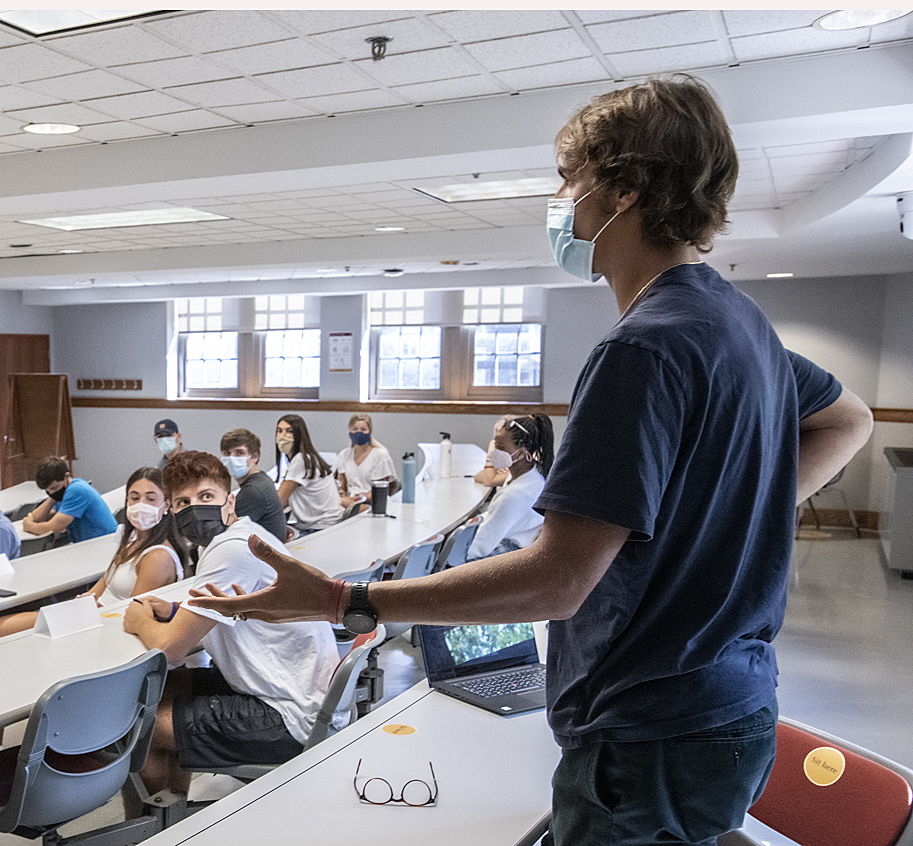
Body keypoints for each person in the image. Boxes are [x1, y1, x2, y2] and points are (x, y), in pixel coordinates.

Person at [188, 76, 874, 846]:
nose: (561, 202)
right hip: (732, 706)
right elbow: (850, 419)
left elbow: (559, 580)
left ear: (624, 190)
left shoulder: (641, 347)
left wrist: (350, 602)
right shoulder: (737, 321)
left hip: (646, 728)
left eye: (570, 182)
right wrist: (729, 511)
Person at [123, 451, 341, 797]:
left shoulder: (230, 552)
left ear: (230, 502)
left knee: (136, 723)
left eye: (206, 496)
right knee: (159, 690)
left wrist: (138, 621)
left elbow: (168, 649)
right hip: (293, 689)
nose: (195, 507)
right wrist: (179, 608)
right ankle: (171, 813)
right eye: (183, 501)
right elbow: (236, 605)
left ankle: (156, 829)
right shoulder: (249, 537)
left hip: (285, 714)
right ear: (173, 513)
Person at [0, 467, 187, 640]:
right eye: (134, 497)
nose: (140, 505)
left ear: (166, 504)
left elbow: (134, 615)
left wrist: (88, 612)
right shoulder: (132, 540)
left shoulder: (158, 556)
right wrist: (87, 599)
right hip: (93, 614)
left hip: (105, 626)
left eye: (150, 499)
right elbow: (106, 581)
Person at [467, 414, 555, 561]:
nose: (496, 452)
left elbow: (480, 548)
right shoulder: (533, 474)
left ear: (521, 453)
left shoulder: (514, 495)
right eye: (495, 445)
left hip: (511, 553)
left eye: (501, 447)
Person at [272, 415, 342, 535]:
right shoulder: (309, 457)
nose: (282, 436)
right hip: (329, 524)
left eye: (289, 431)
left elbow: (280, 500)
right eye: (279, 431)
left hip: (318, 528)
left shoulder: (301, 460)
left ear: (299, 435)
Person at [23, 456, 117, 544]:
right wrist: (52, 499)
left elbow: (53, 528)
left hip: (104, 542)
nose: (51, 492)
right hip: (91, 543)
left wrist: (29, 526)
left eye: (54, 488)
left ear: (66, 476)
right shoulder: (62, 491)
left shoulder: (76, 490)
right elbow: (38, 518)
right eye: (47, 491)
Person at [219, 428, 288, 542]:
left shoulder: (253, 490)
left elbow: (222, 530)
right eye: (227, 454)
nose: (232, 458)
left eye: (239, 453)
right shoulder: (262, 479)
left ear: (255, 457)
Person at [334, 413, 399, 510]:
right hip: (349, 501)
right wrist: (341, 491)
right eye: (355, 429)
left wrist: (362, 497)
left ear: (370, 431)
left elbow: (382, 488)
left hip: (371, 504)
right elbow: (341, 484)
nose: (358, 432)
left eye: (363, 429)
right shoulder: (344, 454)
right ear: (350, 431)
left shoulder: (380, 455)